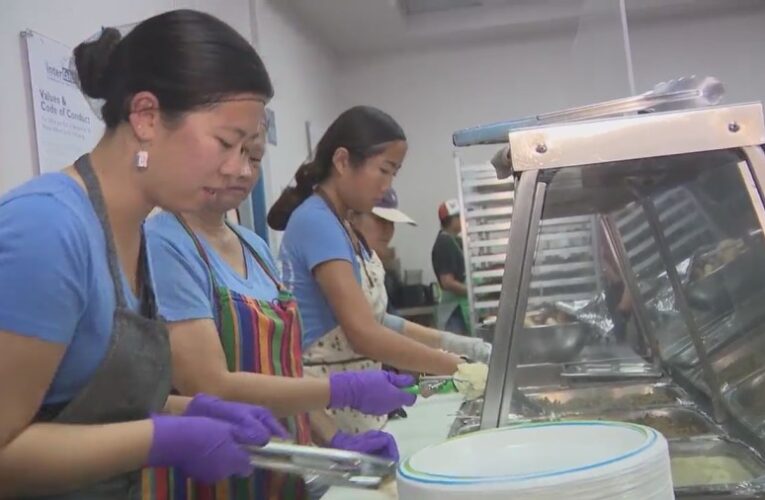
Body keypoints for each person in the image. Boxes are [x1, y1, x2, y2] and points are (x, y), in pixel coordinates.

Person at [0, 11, 293, 498]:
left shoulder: (139, 232)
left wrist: (191, 410)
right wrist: (162, 437)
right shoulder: (47, 228)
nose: (237, 169)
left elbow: (86, 410)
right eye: (225, 142)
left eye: (248, 151)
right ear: (146, 116)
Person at [144, 124, 412, 499]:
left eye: (253, 158)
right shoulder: (164, 242)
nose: (242, 171)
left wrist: (332, 438)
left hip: (280, 469)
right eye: (228, 151)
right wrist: (341, 390)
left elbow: (288, 369)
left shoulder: (254, 246)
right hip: (211, 473)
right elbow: (207, 383)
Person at [268, 106, 488, 434]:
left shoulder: (342, 224)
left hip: (356, 397)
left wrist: (456, 343)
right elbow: (364, 334)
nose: (387, 185)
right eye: (383, 170)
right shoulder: (316, 222)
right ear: (342, 161)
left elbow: (377, 320)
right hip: (327, 403)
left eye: (394, 173)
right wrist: (455, 367)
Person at [349, 188, 414, 310]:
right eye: (381, 220)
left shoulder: (373, 266)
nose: (388, 230)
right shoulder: (342, 267)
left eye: (392, 223)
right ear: (352, 218)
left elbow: (385, 318)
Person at [431, 199, 471, 335]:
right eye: (459, 216)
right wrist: (471, 292)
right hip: (453, 312)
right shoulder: (444, 243)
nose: (462, 219)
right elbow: (447, 282)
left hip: (460, 308)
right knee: (458, 353)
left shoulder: (455, 240)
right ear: (450, 220)